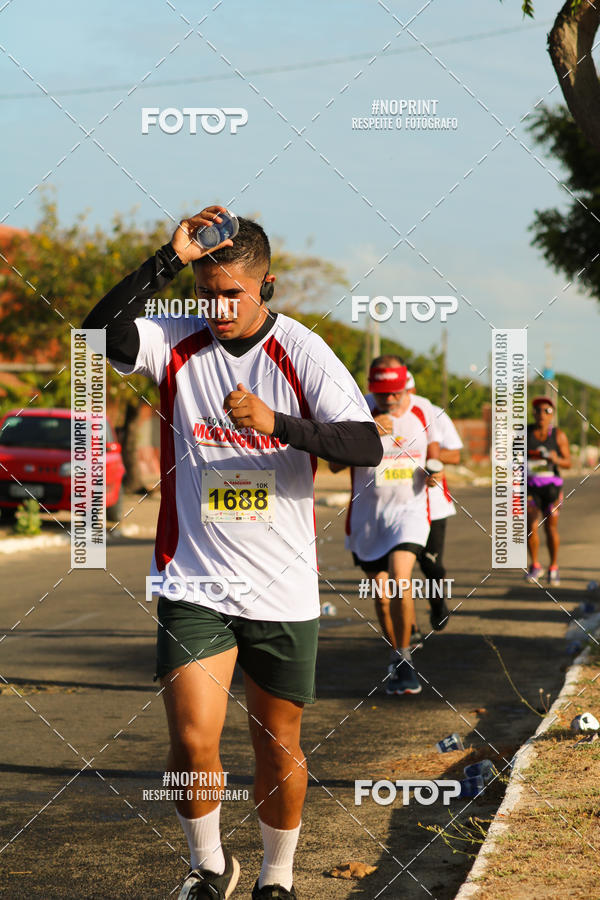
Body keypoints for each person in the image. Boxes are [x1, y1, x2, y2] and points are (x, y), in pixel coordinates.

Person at [83, 206, 382, 900]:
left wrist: (277, 423)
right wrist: (169, 258)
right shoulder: (175, 340)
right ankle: (209, 867)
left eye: (231, 294)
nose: (216, 308)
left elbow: (364, 443)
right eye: (204, 292)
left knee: (277, 744)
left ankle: (277, 878)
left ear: (265, 286)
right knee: (193, 741)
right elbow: (97, 332)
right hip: (194, 581)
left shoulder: (302, 350)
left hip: (282, 588)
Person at [330, 355, 441, 696]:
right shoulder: (356, 409)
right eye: (382, 393)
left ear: (405, 386)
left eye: (395, 392)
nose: (389, 399)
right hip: (368, 517)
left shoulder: (422, 410)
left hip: (409, 512)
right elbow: (333, 464)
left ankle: (405, 660)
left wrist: (434, 471)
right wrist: (368, 433)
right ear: (371, 388)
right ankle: (396, 653)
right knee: (381, 598)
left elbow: (435, 451)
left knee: (399, 578)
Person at [405, 371, 462, 632]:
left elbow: (455, 455)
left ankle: (437, 603)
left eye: (404, 392)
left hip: (433, 504)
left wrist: (427, 456)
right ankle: (409, 629)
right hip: (395, 504)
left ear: (413, 390)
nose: (396, 399)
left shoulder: (433, 413)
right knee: (399, 570)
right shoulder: (378, 416)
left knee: (431, 565)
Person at [526, 396, 571, 586]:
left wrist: (556, 459)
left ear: (552, 414)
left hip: (552, 488)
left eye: (547, 411)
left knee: (551, 527)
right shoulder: (524, 434)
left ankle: (553, 566)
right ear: (533, 413)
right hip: (530, 486)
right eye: (538, 410)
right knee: (530, 525)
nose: (542, 414)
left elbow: (568, 462)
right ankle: (535, 565)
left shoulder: (558, 435)